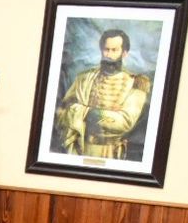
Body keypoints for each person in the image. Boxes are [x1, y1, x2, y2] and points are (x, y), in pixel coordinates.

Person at [55, 28, 151, 160]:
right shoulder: (83, 78)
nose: (108, 55)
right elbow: (62, 111)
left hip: (111, 152)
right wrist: (107, 113)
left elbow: (124, 122)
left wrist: (86, 112)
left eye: (114, 50)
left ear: (124, 53)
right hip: (80, 148)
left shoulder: (136, 83)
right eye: (106, 49)